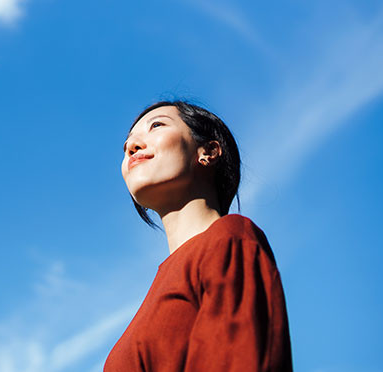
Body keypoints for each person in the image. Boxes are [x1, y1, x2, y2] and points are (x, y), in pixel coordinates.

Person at [104, 100, 293, 371]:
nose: (132, 147)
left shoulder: (230, 239)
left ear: (208, 152)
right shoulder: (154, 294)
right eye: (126, 146)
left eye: (156, 125)